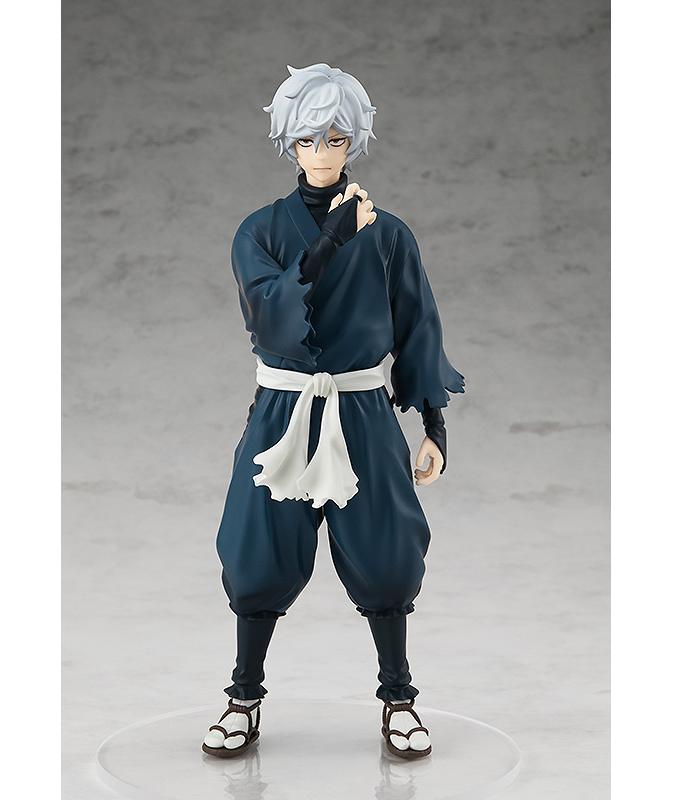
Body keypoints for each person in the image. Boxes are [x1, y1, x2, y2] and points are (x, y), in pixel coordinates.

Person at [202, 63, 464, 760]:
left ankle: (399, 695)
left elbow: (418, 326)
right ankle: (243, 695)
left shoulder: (391, 236)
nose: (321, 152)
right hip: (282, 409)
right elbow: (270, 318)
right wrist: (330, 241)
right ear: (289, 143)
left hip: (362, 409)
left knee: (387, 553)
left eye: (336, 138)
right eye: (307, 139)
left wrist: (433, 425)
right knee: (256, 553)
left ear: (354, 142)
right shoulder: (258, 232)